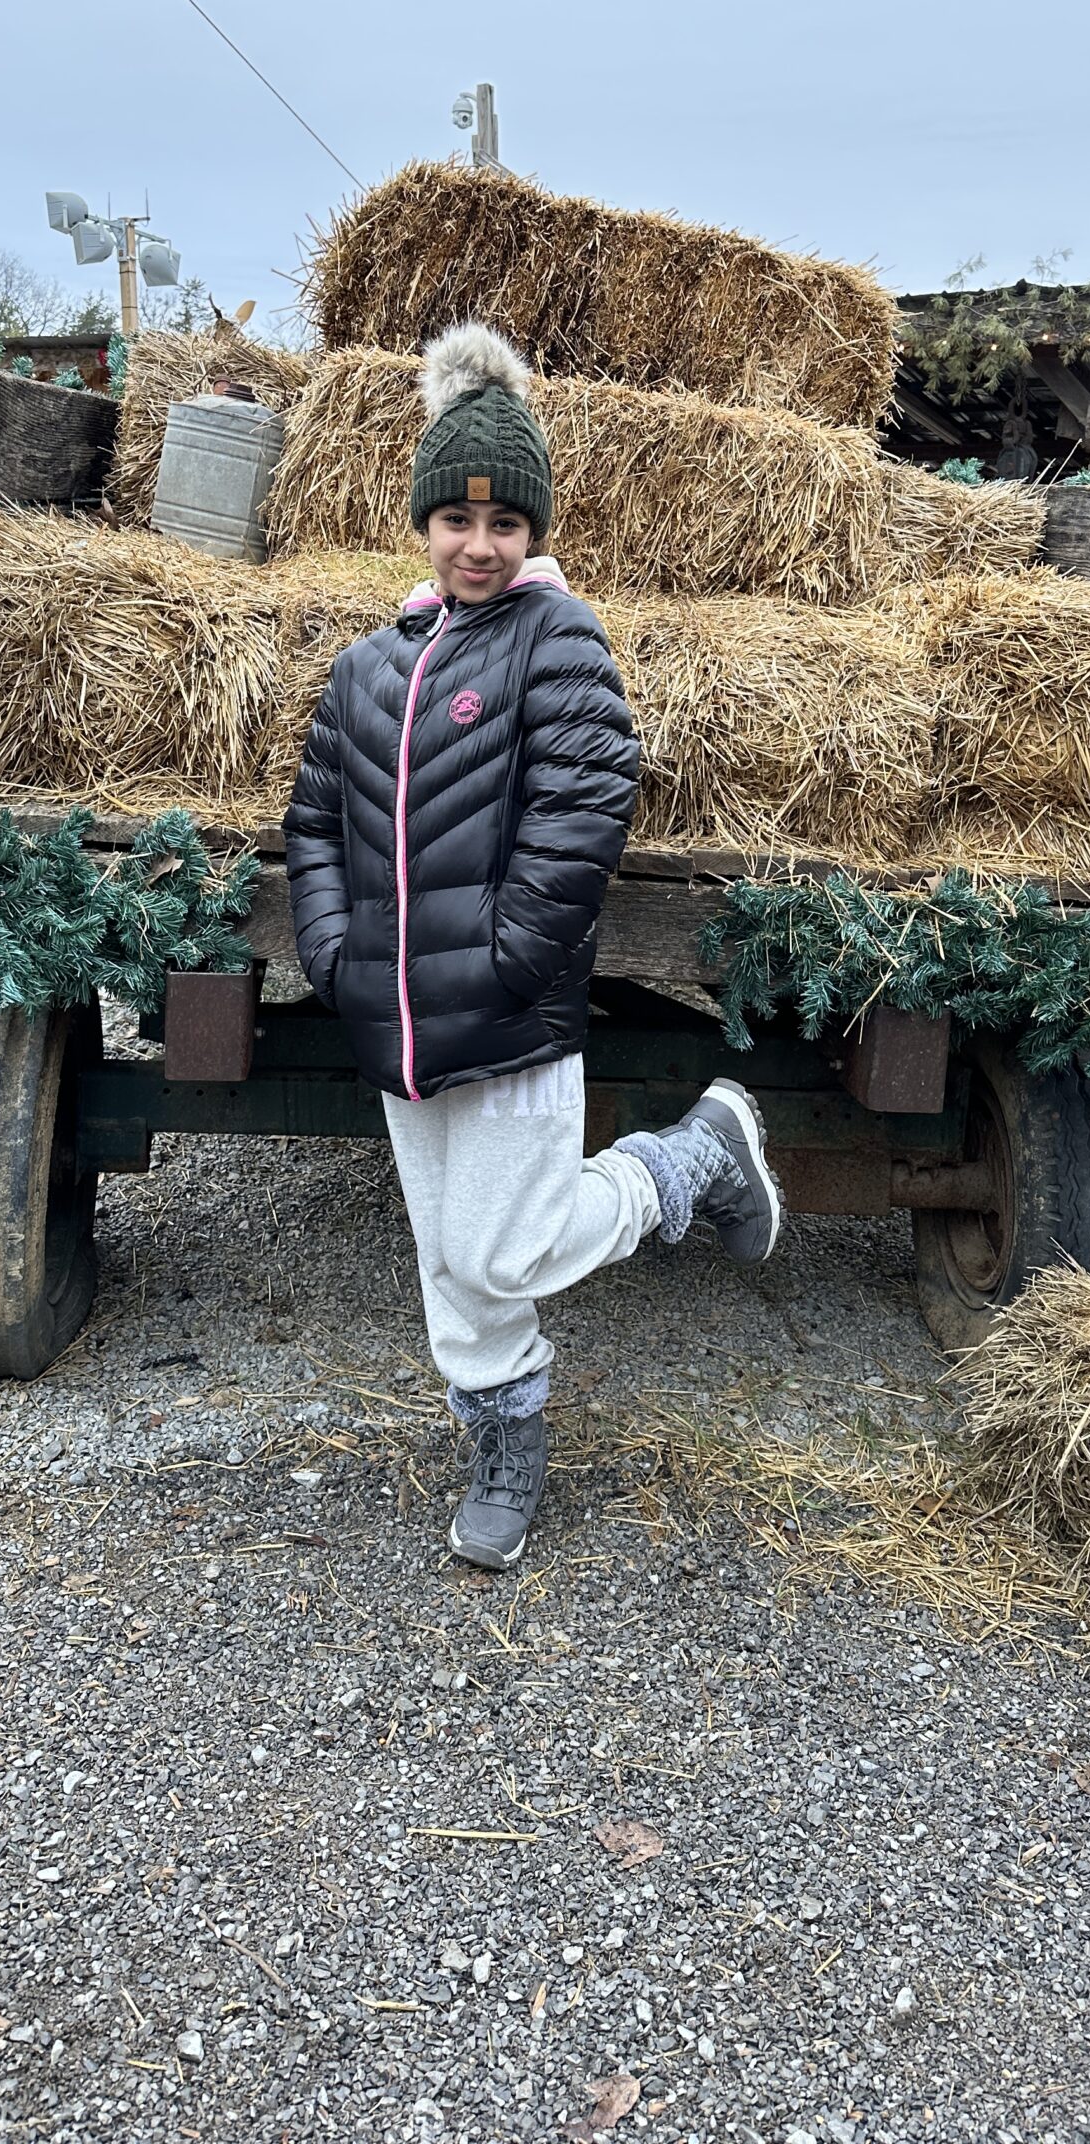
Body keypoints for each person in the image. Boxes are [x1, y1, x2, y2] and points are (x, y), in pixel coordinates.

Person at [283, 323, 784, 1570]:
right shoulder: (365, 669)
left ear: (533, 529)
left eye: (505, 521)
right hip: (395, 1022)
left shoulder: (557, 637)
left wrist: (513, 958)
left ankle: (690, 1160)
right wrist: (336, 954)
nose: (480, 543)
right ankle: (504, 1443)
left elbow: (585, 804)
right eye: (458, 518)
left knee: (504, 1247)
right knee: (450, 1260)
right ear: (423, 521)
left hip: (509, 1015)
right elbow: (315, 823)